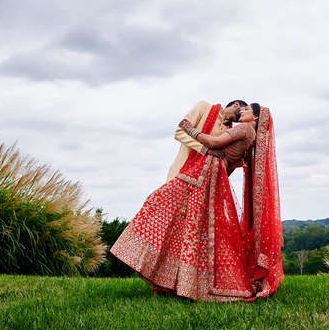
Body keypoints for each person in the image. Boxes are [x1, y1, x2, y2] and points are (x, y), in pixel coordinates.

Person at [110, 102, 283, 302]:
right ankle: (180, 282)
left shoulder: (243, 129)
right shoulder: (242, 132)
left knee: (159, 202)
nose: (241, 114)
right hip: (208, 174)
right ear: (235, 106)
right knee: (193, 229)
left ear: (254, 118)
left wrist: (189, 128)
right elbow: (228, 161)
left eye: (246, 112)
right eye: (240, 110)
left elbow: (213, 143)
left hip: (204, 174)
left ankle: (164, 272)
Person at [166, 100, 246, 182]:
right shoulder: (204, 107)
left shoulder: (228, 131)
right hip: (180, 169)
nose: (243, 114)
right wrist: (205, 150)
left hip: (202, 179)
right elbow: (179, 132)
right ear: (236, 105)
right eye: (242, 111)